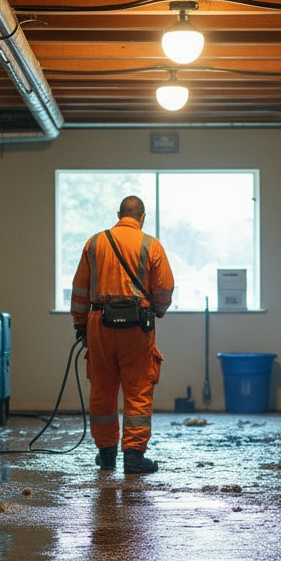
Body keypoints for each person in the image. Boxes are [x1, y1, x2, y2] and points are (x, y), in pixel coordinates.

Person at [71, 196, 175, 474]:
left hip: (99, 324)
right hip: (136, 326)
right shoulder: (151, 245)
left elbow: (80, 288)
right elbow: (164, 287)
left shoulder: (94, 243)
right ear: (142, 217)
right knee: (138, 390)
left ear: (119, 214)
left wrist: (80, 323)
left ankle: (106, 456)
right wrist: (159, 311)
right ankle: (133, 456)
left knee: (102, 388)